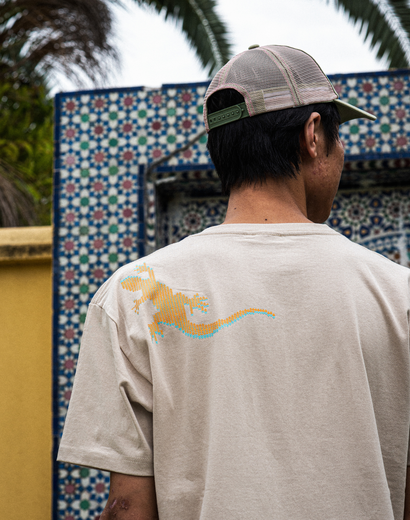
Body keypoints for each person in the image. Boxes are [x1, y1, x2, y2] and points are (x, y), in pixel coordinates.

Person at [58, 45, 410, 520]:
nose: (341, 151)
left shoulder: (129, 296)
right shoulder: (399, 295)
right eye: (337, 135)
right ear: (313, 135)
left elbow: (128, 509)